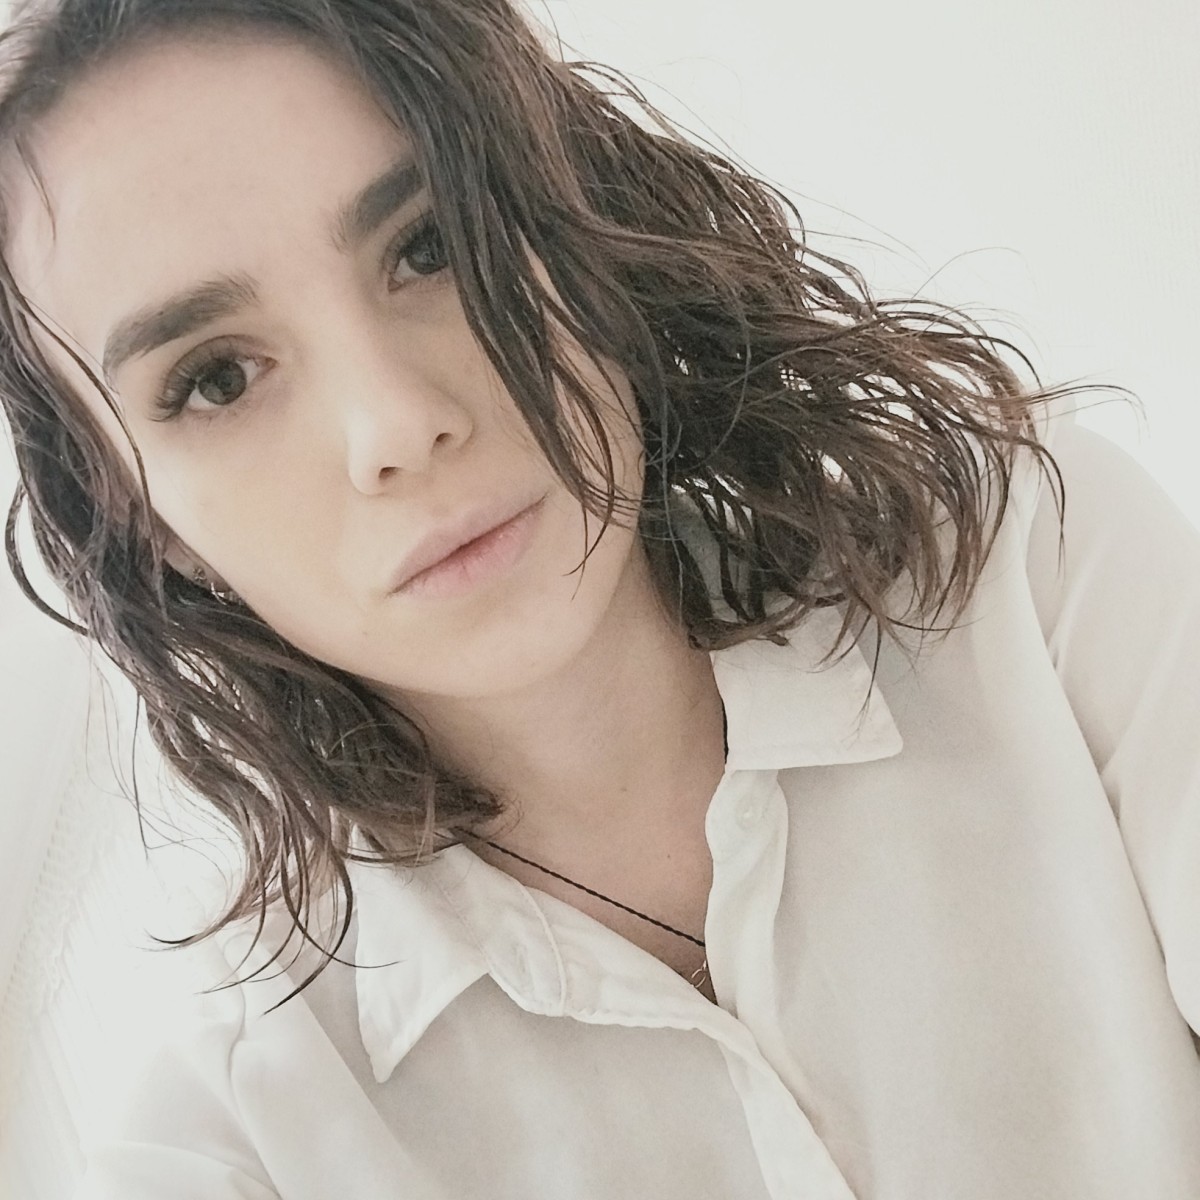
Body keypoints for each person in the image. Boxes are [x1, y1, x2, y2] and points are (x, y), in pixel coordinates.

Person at [0, 0, 1198, 1196]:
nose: (395, 426)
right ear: (140, 514)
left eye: (430, 245)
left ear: (563, 211)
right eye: (216, 379)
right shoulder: (240, 1141)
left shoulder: (1030, 574)